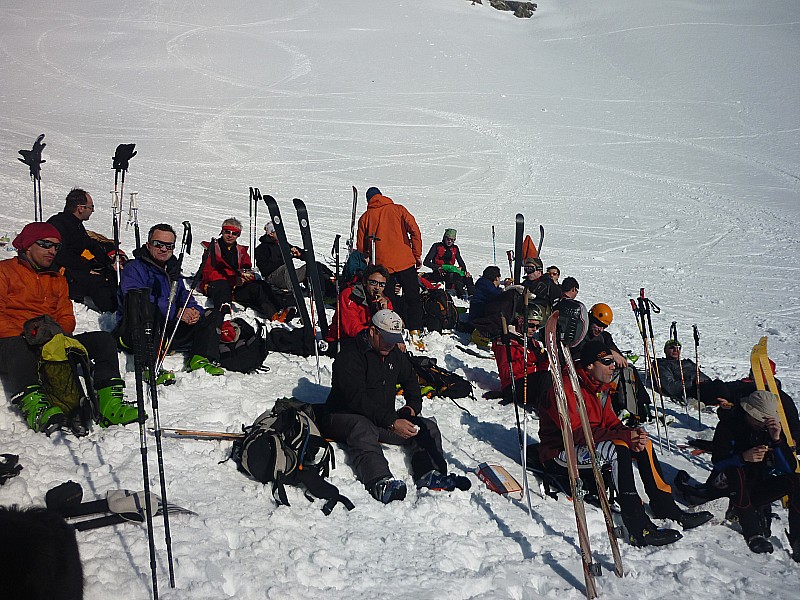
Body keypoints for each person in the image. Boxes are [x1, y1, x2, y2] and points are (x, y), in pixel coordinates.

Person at [538, 340, 713, 546]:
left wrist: (631, 434)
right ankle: (637, 525)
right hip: (559, 452)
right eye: (606, 361)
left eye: (612, 361)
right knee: (618, 449)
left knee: (644, 444)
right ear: (589, 366)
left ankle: (665, 507)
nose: (613, 366)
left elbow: (611, 422)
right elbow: (576, 434)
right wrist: (624, 438)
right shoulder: (567, 388)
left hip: (588, 443)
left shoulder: (600, 387)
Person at [318, 310, 469, 503]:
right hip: (341, 416)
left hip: (380, 419)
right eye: (386, 338)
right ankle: (380, 481)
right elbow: (355, 399)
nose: (390, 344)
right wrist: (391, 421)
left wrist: (411, 409)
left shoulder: (393, 354)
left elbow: (411, 382)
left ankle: (430, 473)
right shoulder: (350, 355)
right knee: (362, 428)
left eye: (394, 339)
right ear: (373, 331)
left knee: (426, 426)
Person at [0, 222, 137, 434]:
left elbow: (66, 315)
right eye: (45, 244)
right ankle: (35, 406)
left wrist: (59, 336)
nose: (52, 250)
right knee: (19, 345)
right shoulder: (5, 271)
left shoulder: (57, 279)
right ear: (27, 245)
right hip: (12, 344)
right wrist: (30, 334)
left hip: (52, 341)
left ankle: (110, 403)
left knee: (103, 340)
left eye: (56, 246)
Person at [117, 223, 224, 376]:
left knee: (213, 315)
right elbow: (138, 300)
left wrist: (194, 311)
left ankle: (200, 358)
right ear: (148, 245)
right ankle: (149, 367)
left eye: (169, 246)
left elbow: (183, 295)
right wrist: (176, 312)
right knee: (148, 311)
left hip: (168, 330)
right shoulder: (134, 268)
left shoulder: (171, 271)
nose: (163, 249)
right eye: (158, 244)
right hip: (136, 331)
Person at [709, 390, 799, 559]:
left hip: (754, 488)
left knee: (796, 480)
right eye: (759, 419)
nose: (762, 424)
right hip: (726, 484)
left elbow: (789, 468)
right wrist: (743, 458)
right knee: (736, 470)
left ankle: (797, 540)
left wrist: (777, 441)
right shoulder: (728, 426)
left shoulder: (769, 431)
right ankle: (753, 533)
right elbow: (718, 462)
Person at [356, 187, 425, 349]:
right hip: (405, 261)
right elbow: (414, 231)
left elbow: (361, 248)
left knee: (389, 300)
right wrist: (416, 254)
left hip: (382, 267)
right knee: (412, 296)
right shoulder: (398, 209)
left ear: (368, 200)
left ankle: (393, 327)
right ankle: (415, 329)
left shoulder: (365, 217)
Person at [47, 188, 118, 312]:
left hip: (75, 268)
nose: (92, 211)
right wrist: (86, 269)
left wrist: (109, 261)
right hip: (62, 273)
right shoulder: (58, 224)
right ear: (80, 208)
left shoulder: (75, 224)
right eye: (91, 207)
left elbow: (89, 244)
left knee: (109, 273)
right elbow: (60, 255)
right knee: (98, 282)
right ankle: (111, 310)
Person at [200, 218, 278, 318]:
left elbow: (247, 268)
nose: (230, 235)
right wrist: (233, 280)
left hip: (235, 288)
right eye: (227, 232)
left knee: (259, 286)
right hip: (215, 286)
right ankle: (223, 309)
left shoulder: (240, 251)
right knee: (222, 285)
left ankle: (275, 313)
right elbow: (208, 273)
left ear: (238, 235)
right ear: (222, 232)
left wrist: (248, 277)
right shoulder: (212, 248)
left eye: (234, 233)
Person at [491, 299, 551, 411]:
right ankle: (546, 410)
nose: (534, 330)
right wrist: (531, 357)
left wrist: (544, 360)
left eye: (537, 327)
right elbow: (506, 372)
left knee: (552, 377)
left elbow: (540, 371)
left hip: (531, 384)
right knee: (546, 378)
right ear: (520, 321)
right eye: (531, 325)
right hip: (514, 385)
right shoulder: (505, 341)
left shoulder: (533, 342)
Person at [325, 264, 392, 343]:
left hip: (372, 339)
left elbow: (390, 327)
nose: (377, 287)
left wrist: (385, 311)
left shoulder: (384, 301)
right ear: (364, 282)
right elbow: (351, 328)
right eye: (373, 282)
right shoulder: (350, 295)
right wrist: (374, 335)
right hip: (344, 340)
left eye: (382, 284)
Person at [656, 339, 734, 406]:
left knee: (736, 386)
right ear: (665, 350)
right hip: (693, 389)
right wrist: (692, 383)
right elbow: (671, 387)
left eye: (678, 348)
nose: (676, 350)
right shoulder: (663, 365)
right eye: (672, 347)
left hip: (707, 385)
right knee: (720, 386)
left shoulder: (687, 362)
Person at [422, 228, 474, 299]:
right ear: (444, 238)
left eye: (452, 240)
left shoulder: (455, 248)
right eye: (448, 239)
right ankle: (461, 295)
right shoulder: (437, 246)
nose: (450, 241)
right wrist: (438, 268)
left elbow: (460, 262)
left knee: (468, 277)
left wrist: (465, 272)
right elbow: (426, 262)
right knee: (456, 276)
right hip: (439, 272)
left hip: (450, 270)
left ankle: (473, 296)